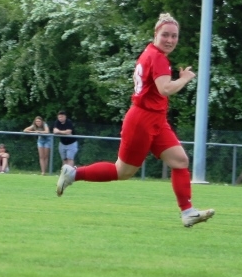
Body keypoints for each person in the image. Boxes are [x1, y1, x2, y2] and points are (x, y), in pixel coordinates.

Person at [55, 13, 215, 229]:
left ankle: (188, 212)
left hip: (156, 119)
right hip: (142, 119)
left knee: (180, 161)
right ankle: (74, 173)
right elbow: (165, 89)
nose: (170, 40)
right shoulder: (158, 57)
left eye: (174, 36)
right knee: (123, 172)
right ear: (155, 34)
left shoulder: (150, 53)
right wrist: (185, 79)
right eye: (165, 35)